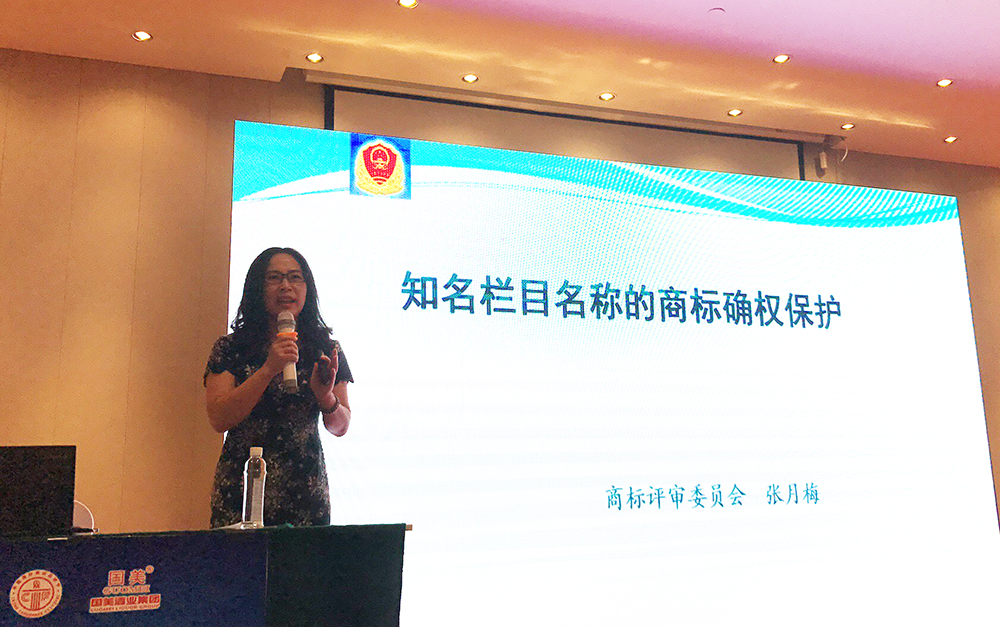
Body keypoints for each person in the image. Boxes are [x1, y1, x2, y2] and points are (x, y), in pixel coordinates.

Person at [204, 247, 353, 527]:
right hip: (243, 490)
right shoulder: (231, 348)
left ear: (307, 288)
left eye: (295, 277)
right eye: (274, 278)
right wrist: (269, 369)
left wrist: (325, 397)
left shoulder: (324, 348)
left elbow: (341, 426)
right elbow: (218, 418)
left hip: (305, 492)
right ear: (257, 288)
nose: (286, 286)